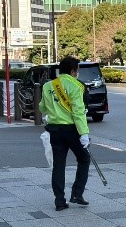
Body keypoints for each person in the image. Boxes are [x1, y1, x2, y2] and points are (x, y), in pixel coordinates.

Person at [38, 56, 91, 211]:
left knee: (59, 165)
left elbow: (42, 107)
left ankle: (59, 201)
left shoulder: (48, 86)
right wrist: (84, 134)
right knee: (84, 159)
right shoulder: (76, 86)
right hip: (72, 130)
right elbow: (78, 113)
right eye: (77, 70)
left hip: (55, 130)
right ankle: (77, 193)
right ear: (74, 71)